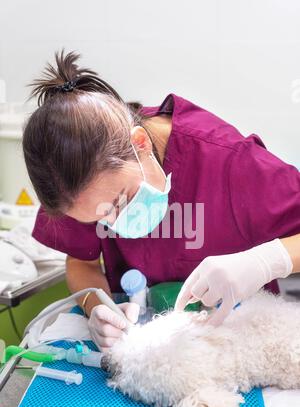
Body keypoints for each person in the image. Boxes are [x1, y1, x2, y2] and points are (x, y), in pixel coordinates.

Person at [24, 50, 300, 351]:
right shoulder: (75, 181)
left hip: (241, 341)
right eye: (101, 219)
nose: (116, 225)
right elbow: (81, 261)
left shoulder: (228, 160)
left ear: (140, 143)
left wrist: (266, 261)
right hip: (149, 345)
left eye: (120, 203)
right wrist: (99, 306)